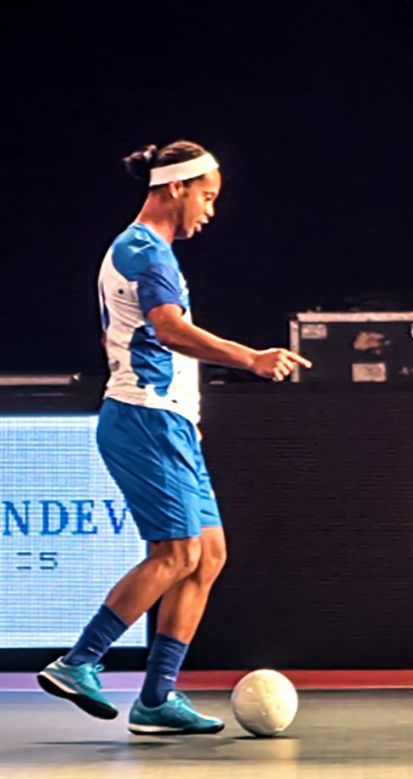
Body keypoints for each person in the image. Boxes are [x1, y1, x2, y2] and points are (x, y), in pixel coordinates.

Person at [37, 140, 311, 734]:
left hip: (169, 421)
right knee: (177, 554)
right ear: (175, 188)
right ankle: (78, 661)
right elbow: (169, 330)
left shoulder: (152, 251)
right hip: (143, 419)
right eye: (207, 196)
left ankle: (157, 699)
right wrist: (251, 358)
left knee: (207, 556)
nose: (210, 211)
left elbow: (165, 343)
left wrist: (189, 413)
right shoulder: (142, 250)